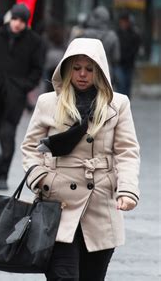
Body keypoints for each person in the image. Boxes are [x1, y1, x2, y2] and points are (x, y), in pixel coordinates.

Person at [21, 38, 140, 280]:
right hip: (57, 205)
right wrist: (40, 178)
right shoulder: (48, 102)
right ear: (66, 70)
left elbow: (127, 151)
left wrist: (127, 190)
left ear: (100, 71)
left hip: (100, 205)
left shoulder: (118, 104)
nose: (82, 74)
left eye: (89, 68)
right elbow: (30, 147)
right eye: (76, 68)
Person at [0, 3, 44, 190]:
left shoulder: (34, 41)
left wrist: (24, 86)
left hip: (15, 95)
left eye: (21, 21)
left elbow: (37, 69)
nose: (17, 24)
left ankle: (3, 175)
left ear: (26, 22)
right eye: (15, 19)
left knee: (7, 136)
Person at [76, 5, 120, 87]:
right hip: (106, 70)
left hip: (88, 70)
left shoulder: (84, 33)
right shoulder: (112, 36)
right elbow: (116, 58)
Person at [115, 12, 141, 98]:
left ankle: (126, 102)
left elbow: (136, 47)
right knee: (121, 84)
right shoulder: (117, 33)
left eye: (125, 22)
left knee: (127, 84)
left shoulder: (134, 33)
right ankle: (121, 102)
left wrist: (131, 55)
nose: (123, 24)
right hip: (120, 63)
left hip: (129, 63)